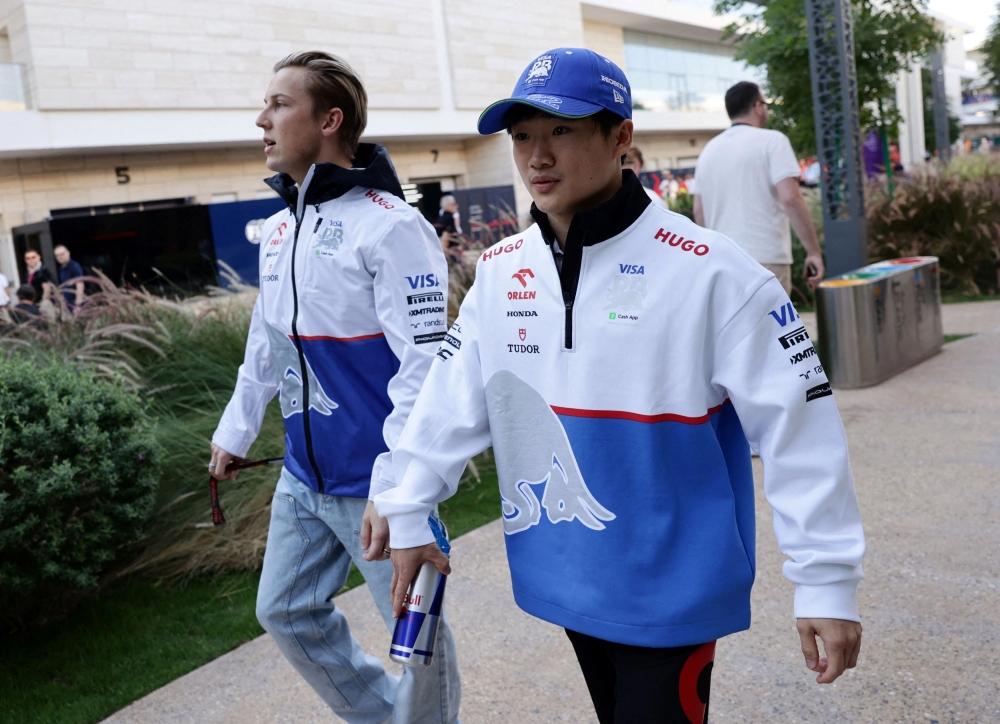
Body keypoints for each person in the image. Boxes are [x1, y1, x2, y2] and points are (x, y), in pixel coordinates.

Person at [375, 48, 865, 724]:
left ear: (621, 137)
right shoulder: (498, 270)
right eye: (521, 136)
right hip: (565, 577)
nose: (536, 156)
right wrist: (408, 506)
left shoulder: (716, 273)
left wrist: (827, 582)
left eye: (562, 131)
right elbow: (450, 399)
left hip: (673, 593)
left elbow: (800, 427)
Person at [208, 50, 460, 724]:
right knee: (283, 611)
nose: (261, 119)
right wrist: (235, 430)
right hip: (302, 477)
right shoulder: (281, 227)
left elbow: (425, 369)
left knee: (417, 644)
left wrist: (400, 489)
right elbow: (269, 341)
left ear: (330, 120)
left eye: (279, 104)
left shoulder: (393, 224)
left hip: (376, 484)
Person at [693, 81, 825, 294]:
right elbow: (791, 199)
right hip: (766, 259)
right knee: (773, 327)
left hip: (723, 263)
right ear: (757, 107)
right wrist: (813, 252)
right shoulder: (773, 141)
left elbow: (699, 210)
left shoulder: (709, 150)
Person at [54, 245, 85, 310]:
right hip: (68, 304)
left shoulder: (74, 266)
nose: (59, 257)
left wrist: (78, 304)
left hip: (76, 304)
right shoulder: (61, 269)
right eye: (57, 255)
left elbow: (80, 285)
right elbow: (64, 287)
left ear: (68, 253)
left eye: (62, 254)